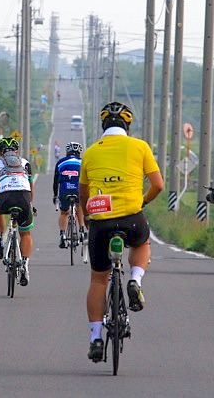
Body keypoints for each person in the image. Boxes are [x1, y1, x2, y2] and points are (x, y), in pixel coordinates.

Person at [79, 101, 164, 363]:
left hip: (101, 221)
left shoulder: (91, 153)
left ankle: (95, 337)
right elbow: (158, 185)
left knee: (98, 280)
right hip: (131, 217)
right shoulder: (140, 147)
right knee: (142, 243)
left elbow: (83, 194)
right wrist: (143, 201)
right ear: (127, 125)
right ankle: (135, 280)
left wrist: (88, 219)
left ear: (103, 125)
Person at [0, 137, 35, 286]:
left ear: (1, 152)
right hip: (24, 196)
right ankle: (25, 264)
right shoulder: (25, 162)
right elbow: (30, 185)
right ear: (16, 151)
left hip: (5, 196)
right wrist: (30, 203)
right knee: (26, 233)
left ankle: (0, 242)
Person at [53, 142, 86, 249]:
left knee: (64, 212)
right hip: (77, 189)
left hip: (64, 190)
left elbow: (55, 182)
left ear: (67, 152)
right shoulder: (83, 162)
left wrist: (55, 196)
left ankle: (62, 235)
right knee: (79, 205)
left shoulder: (60, 162)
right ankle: (81, 230)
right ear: (79, 153)